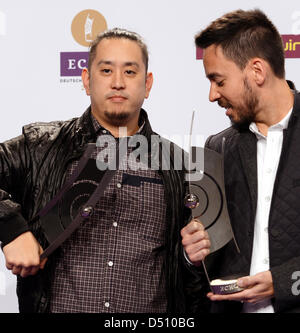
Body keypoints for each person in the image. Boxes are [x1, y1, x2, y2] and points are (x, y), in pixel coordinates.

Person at [0, 28, 210, 313]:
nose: (118, 83)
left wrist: (191, 260)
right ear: (87, 80)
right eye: (106, 70)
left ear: (148, 84)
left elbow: (192, 281)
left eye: (130, 72)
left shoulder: (177, 164)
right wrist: (12, 229)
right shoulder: (42, 146)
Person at [182, 9, 300, 313]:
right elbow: (204, 268)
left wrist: (285, 281)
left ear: (257, 72)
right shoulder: (217, 148)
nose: (211, 94)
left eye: (218, 80)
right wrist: (193, 255)